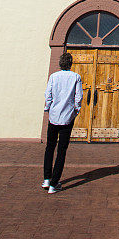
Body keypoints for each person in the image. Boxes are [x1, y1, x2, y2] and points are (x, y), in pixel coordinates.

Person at [42, 52, 83, 193]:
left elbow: (48, 95)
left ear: (60, 63)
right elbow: (78, 97)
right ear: (71, 63)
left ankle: (46, 178)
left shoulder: (54, 77)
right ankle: (54, 184)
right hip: (67, 118)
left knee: (49, 147)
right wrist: (76, 111)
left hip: (53, 116)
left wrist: (48, 108)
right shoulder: (75, 77)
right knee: (61, 150)